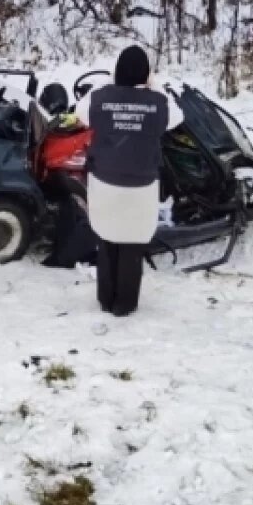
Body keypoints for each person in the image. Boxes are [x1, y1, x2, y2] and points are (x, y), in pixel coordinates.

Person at [75, 46, 182, 316]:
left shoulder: (98, 98)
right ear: (146, 74)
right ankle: (125, 303)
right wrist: (153, 87)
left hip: (104, 182)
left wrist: (111, 85)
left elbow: (80, 112)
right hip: (141, 186)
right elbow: (178, 117)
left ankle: (105, 298)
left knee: (108, 238)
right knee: (133, 242)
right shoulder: (159, 103)